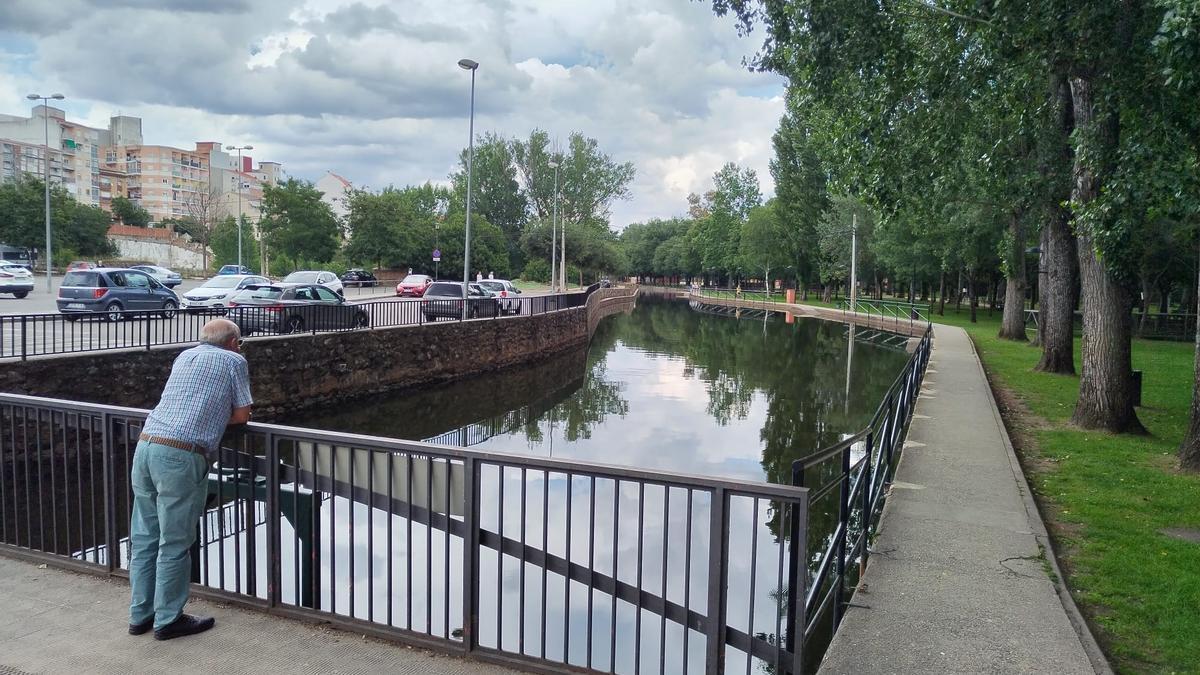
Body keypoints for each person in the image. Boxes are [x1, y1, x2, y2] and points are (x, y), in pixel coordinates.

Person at [128, 318, 252, 640]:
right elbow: (241, 415)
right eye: (239, 342)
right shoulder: (234, 360)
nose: (240, 347)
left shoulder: (185, 355)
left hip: (146, 444)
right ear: (232, 342)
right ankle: (168, 619)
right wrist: (213, 415)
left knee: (144, 537)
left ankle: (140, 616)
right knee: (175, 541)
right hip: (181, 455)